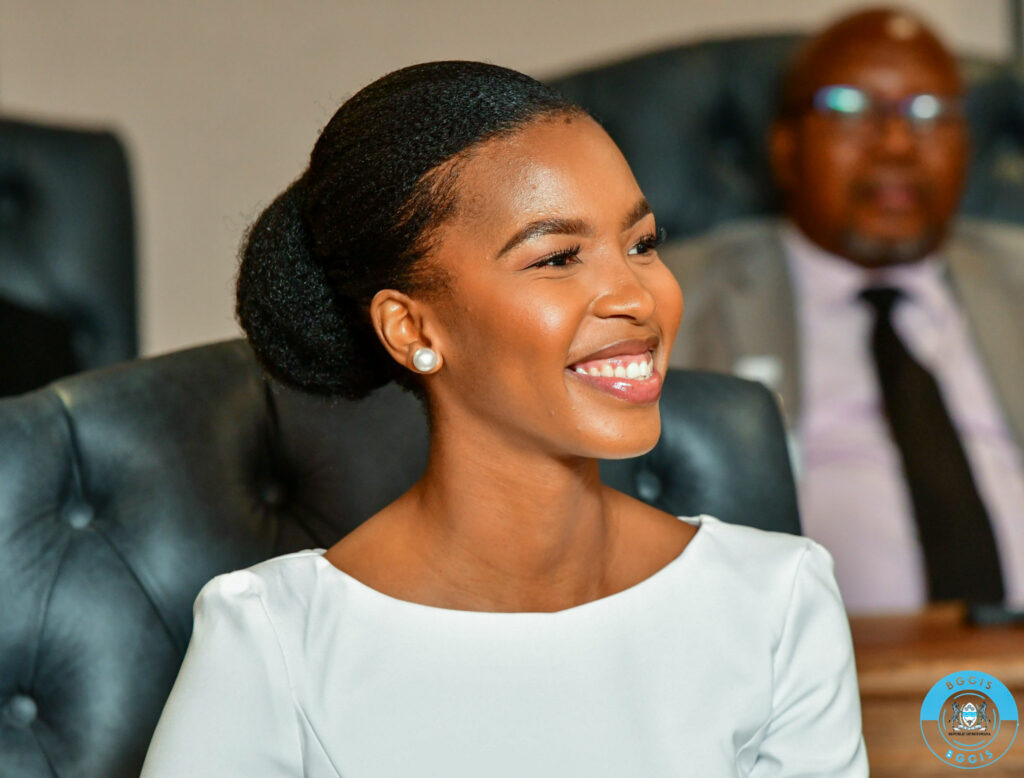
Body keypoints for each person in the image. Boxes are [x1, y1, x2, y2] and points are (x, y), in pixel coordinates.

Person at [140, 61, 866, 776]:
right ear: (412, 330)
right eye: (557, 258)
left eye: (642, 244)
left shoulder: (776, 603)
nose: (637, 297)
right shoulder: (274, 642)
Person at [663, 9, 1024, 614]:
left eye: (931, 112)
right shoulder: (671, 290)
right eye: (850, 108)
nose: (897, 143)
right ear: (785, 147)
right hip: (820, 683)